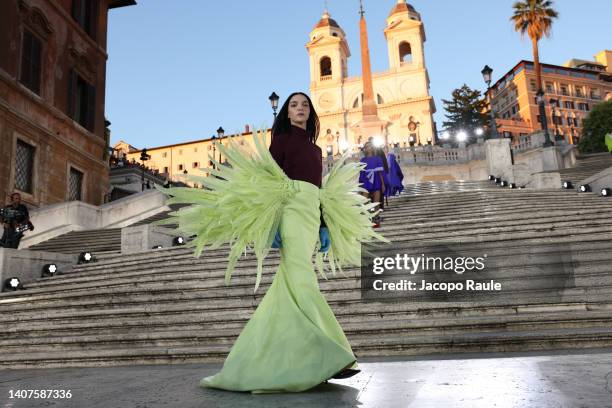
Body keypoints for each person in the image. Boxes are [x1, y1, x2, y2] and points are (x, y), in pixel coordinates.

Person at [155, 92, 387, 394]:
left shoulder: (316, 151)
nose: (300, 108)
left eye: (305, 105)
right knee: (303, 281)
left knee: (289, 287)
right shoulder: (280, 141)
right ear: (287, 113)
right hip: (290, 210)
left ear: (311, 113)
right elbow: (268, 181)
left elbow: (317, 189)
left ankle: (272, 360)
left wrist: (323, 224)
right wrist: (274, 221)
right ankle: (332, 354)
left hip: (310, 213)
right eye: (294, 105)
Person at [358, 142, 386, 227]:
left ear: (373, 148)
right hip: (366, 180)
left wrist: (383, 184)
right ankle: (365, 218)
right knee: (364, 201)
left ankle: (375, 218)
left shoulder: (377, 158)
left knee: (376, 202)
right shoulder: (362, 160)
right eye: (366, 147)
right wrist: (360, 185)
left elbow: (381, 172)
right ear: (364, 149)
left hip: (376, 180)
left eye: (369, 146)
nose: (368, 148)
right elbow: (361, 173)